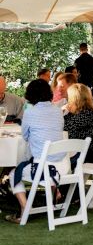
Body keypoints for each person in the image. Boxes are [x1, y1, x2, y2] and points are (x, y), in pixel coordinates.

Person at [6, 79, 67, 224]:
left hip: (43, 167)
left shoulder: (30, 112)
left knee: (14, 174)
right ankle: (54, 192)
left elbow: (26, 137)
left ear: (30, 94)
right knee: (35, 159)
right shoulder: (58, 111)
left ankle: (25, 210)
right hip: (62, 166)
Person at [64, 83, 93, 165]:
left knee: (64, 161)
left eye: (68, 97)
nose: (67, 99)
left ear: (74, 99)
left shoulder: (85, 113)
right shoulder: (84, 111)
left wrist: (61, 112)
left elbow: (66, 129)